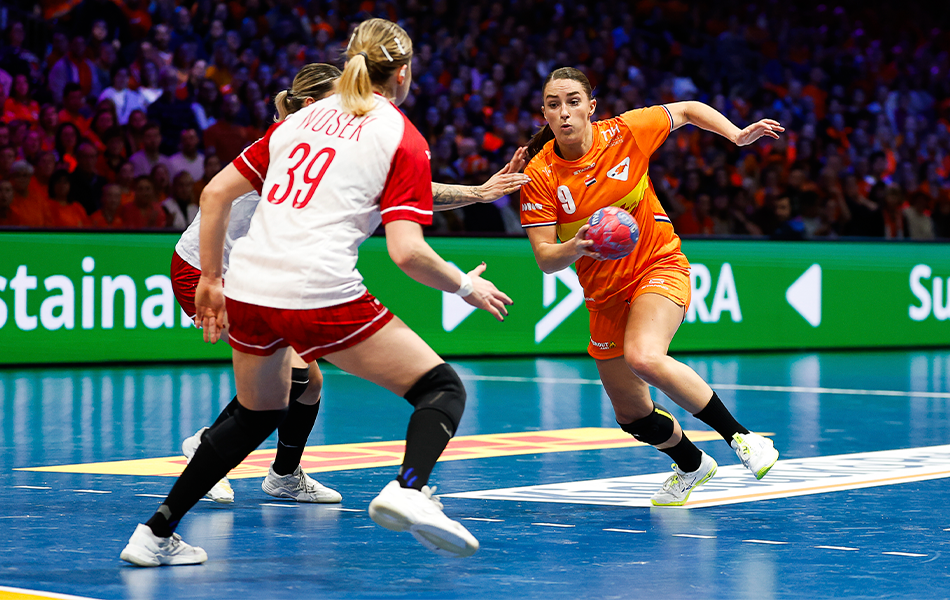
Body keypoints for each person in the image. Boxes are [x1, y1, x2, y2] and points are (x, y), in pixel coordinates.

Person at [120, 19, 517, 567]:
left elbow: (212, 194)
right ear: (403, 73)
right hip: (314, 288)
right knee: (441, 389)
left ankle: (155, 533)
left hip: (247, 284)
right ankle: (409, 488)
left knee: (259, 411)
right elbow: (407, 252)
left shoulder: (300, 120)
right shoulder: (400, 135)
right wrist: (466, 284)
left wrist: (212, 279)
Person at [171, 63, 530, 507]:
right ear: (311, 104)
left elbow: (393, 187)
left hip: (260, 274)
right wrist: (211, 279)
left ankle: (284, 475)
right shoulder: (289, 143)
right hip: (207, 271)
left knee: (310, 382)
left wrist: (476, 193)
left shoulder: (322, 140)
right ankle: (205, 445)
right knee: (289, 379)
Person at [520, 67, 781, 507]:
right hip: (604, 295)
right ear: (544, 113)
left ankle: (742, 437)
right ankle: (692, 465)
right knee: (632, 414)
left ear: (590, 107)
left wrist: (736, 136)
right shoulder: (541, 174)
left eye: (573, 102)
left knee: (643, 356)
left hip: (657, 265)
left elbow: (689, 109)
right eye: (553, 104)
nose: (563, 112)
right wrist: (578, 245)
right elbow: (546, 259)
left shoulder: (625, 133)